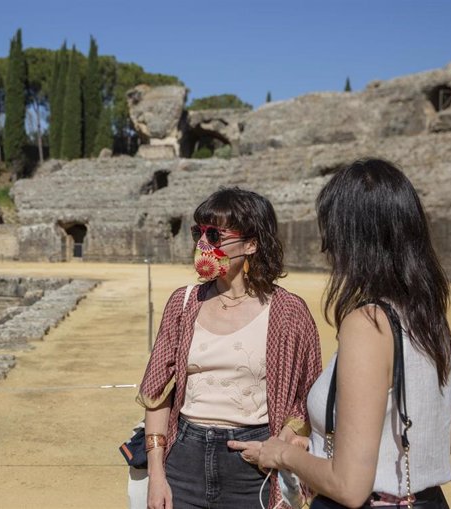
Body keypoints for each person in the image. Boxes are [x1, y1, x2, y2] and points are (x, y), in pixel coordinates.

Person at [254, 159, 451, 508]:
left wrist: (281, 455)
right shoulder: (429, 317)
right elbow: (447, 437)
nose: (327, 249)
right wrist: (318, 447)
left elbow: (349, 486)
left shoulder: (369, 323)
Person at [137, 187, 322, 509]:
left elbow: (307, 396)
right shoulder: (183, 303)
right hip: (184, 460)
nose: (202, 244)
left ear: (251, 244)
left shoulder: (289, 312)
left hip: (253, 466)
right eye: (198, 232)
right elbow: (157, 393)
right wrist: (157, 475)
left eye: (214, 235)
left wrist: (275, 448)